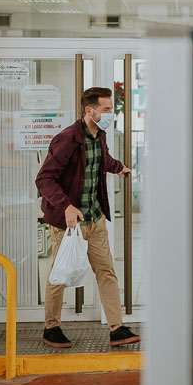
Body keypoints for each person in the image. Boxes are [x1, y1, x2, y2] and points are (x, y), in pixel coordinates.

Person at [35, 86, 139, 348]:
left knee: (106, 271)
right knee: (60, 274)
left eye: (110, 109)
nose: (109, 114)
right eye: (105, 110)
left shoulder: (99, 135)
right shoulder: (67, 139)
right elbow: (44, 179)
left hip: (94, 218)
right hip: (69, 223)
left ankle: (117, 328)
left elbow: (100, 160)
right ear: (89, 110)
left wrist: (119, 168)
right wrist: (66, 206)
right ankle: (51, 328)